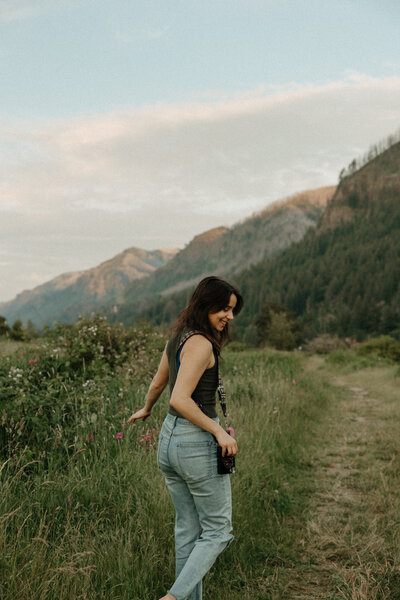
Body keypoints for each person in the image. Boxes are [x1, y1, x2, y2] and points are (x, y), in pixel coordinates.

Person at [127, 276, 244, 600]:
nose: (229, 317)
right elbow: (179, 398)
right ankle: (174, 597)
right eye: (223, 309)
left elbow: (159, 381)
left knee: (188, 530)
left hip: (169, 441)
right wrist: (218, 430)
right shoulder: (202, 343)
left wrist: (146, 408)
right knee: (218, 532)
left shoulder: (178, 336)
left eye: (232, 310)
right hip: (195, 444)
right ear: (205, 305)